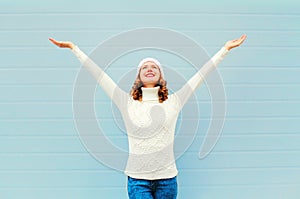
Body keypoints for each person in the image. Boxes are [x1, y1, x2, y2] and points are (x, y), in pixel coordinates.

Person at [49, 34, 246, 199]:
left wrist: (225, 49)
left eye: (154, 67)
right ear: (139, 78)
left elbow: (202, 75)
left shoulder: (174, 102)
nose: (149, 69)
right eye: (144, 67)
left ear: (161, 77)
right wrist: (73, 48)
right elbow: (99, 75)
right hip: (138, 181)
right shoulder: (127, 103)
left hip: (168, 180)